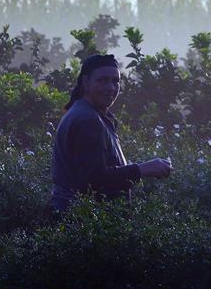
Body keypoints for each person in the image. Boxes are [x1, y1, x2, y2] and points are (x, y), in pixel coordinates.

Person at [50, 53, 173, 213]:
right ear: (86, 82)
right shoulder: (88, 119)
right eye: (103, 80)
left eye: (116, 81)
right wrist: (142, 169)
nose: (111, 87)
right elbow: (93, 181)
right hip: (81, 220)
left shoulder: (88, 113)